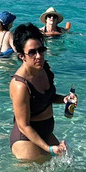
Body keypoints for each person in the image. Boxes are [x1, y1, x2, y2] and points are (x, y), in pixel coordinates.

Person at [9, 23, 78, 161]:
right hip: (26, 138)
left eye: (41, 50)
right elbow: (23, 126)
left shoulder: (43, 68)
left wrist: (64, 99)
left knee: (65, 168)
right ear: (21, 56)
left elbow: (47, 97)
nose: (39, 56)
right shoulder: (20, 85)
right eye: (32, 52)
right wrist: (49, 149)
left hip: (45, 133)